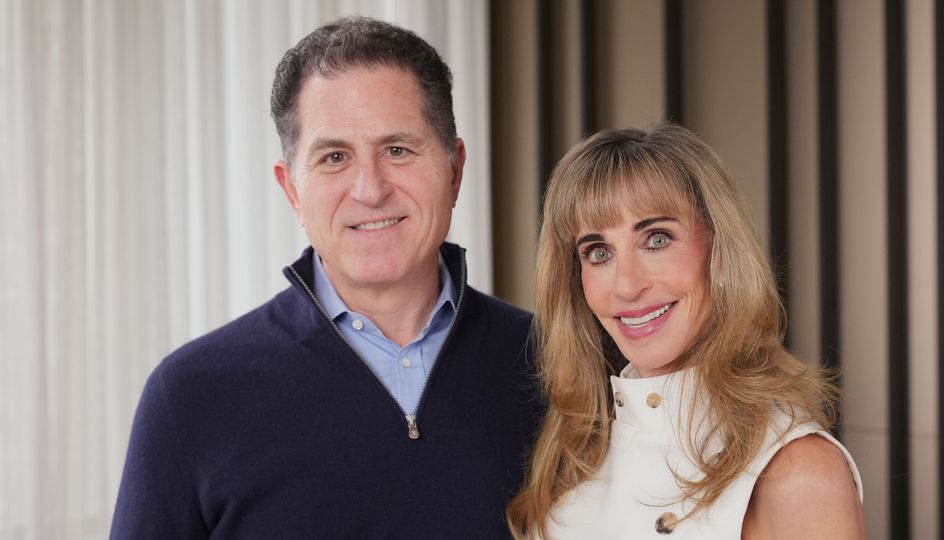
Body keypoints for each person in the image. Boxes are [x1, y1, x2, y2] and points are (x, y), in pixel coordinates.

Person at [111, 17, 541, 539]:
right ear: (291, 190)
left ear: (455, 169)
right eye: (334, 157)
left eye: (398, 150)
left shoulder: (556, 366)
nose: (370, 189)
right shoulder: (188, 397)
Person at [507, 125, 864, 539]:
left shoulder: (798, 472)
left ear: (720, 249)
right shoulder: (570, 450)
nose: (627, 286)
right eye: (598, 252)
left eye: (657, 239)